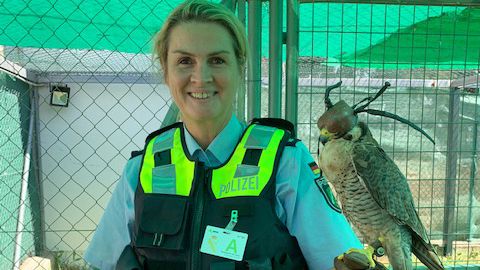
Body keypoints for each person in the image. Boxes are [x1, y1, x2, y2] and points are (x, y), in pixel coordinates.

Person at [84, 1, 365, 269]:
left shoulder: (286, 164)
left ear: (239, 67)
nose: (201, 76)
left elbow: (337, 262)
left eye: (217, 60)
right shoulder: (141, 171)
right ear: (165, 70)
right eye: (184, 61)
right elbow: (105, 262)